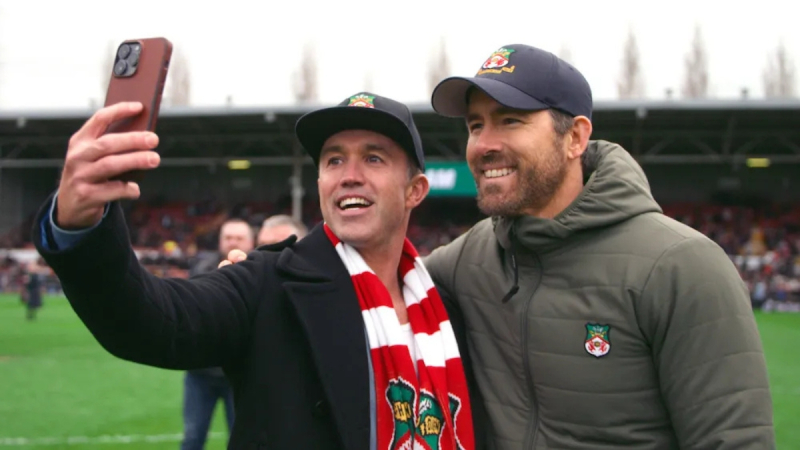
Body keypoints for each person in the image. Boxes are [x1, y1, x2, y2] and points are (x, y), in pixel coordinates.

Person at [30, 93, 481, 450]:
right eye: (333, 159)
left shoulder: (447, 307)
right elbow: (151, 320)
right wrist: (81, 224)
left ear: (415, 191)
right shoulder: (267, 283)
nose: (349, 175)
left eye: (374, 158)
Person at [421, 44, 775, 448]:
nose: (484, 144)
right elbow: (376, 282)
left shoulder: (681, 265)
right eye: (475, 125)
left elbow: (734, 440)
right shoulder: (468, 259)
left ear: (575, 137)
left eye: (510, 120)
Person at [180, 218, 254, 450]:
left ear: (251, 242)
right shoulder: (202, 269)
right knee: (193, 436)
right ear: (220, 241)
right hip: (201, 374)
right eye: (228, 237)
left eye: (239, 237)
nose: (233, 241)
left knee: (242, 438)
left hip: (240, 376)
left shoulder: (262, 272)